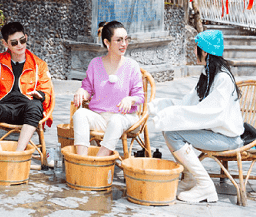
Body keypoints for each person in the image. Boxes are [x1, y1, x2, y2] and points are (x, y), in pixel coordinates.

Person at [149, 29, 243, 203]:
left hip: (228, 138)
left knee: (172, 133)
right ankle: (190, 178)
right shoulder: (208, 74)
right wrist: (156, 107)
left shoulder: (222, 78)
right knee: (170, 128)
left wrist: (173, 115)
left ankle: (205, 185)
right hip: (215, 133)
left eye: (196, 47)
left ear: (205, 51)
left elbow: (211, 113)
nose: (194, 50)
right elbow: (188, 103)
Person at [0, 21, 53, 152]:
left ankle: (18, 153)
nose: (20, 45)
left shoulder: (39, 65)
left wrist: (41, 95)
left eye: (22, 40)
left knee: (36, 106)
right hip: (3, 108)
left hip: (25, 110)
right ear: (5, 44)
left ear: (26, 38)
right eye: (14, 42)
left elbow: (46, 89)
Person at [72, 20, 144, 157]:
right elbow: (87, 88)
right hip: (100, 117)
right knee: (79, 114)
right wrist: (82, 91)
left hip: (125, 118)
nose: (124, 44)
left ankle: (99, 162)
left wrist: (130, 99)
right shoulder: (95, 64)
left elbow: (140, 96)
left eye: (125, 39)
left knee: (116, 120)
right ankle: (82, 159)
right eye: (119, 40)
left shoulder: (132, 66)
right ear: (107, 42)